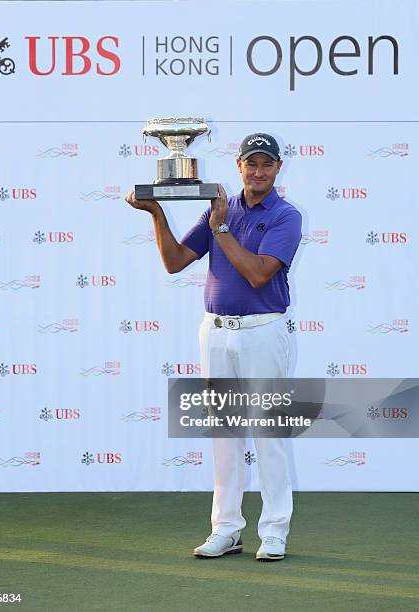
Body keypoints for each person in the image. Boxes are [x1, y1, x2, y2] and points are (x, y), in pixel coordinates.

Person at [125, 133, 302, 562]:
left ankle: (274, 531)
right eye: (251, 163)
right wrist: (156, 213)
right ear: (238, 165)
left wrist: (220, 228)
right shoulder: (220, 208)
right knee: (225, 434)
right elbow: (175, 261)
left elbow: (259, 274)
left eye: (266, 164)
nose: (258, 172)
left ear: (278, 169)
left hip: (263, 330)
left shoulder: (285, 216)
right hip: (216, 331)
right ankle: (226, 528)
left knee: (269, 434)